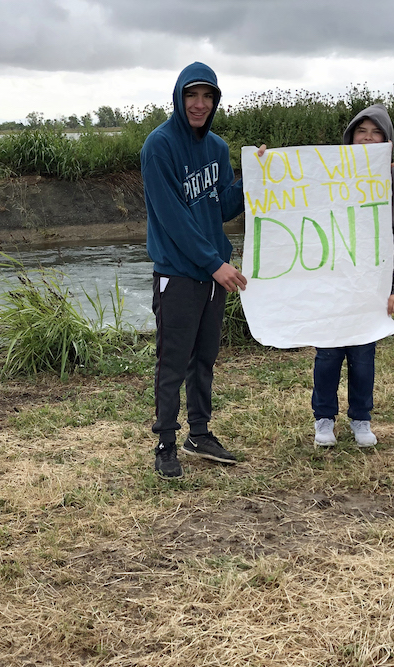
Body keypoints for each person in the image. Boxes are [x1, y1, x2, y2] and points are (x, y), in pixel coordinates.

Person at [141, 62, 253, 479]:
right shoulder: (159, 146)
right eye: (192, 95)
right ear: (178, 97)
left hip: (212, 275)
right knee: (173, 360)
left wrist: (253, 178)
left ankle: (200, 433)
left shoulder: (218, 149)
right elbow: (172, 217)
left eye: (208, 96)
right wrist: (214, 264)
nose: (199, 104)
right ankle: (165, 442)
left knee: (204, 358)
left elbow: (221, 207)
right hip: (179, 273)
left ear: (216, 101)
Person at [312, 103, 394, 448]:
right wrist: (264, 167)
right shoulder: (329, 173)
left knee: (362, 355)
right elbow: (294, 207)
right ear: (351, 137)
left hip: (370, 285)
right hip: (331, 282)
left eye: (377, 133)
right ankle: (324, 418)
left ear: (387, 141)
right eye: (362, 131)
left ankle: (361, 418)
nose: (368, 139)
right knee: (327, 354)